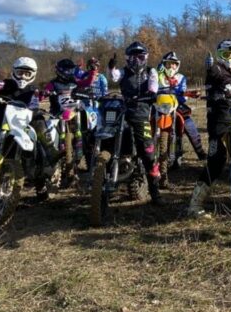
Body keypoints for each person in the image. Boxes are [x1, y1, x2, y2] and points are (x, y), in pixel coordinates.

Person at [186, 39, 231, 218]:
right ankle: (195, 205)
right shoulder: (217, 69)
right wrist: (210, 67)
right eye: (227, 54)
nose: (230, 58)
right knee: (217, 160)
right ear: (220, 56)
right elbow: (212, 75)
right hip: (219, 121)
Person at [107, 42, 163, 205]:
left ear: (145, 57)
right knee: (109, 141)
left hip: (142, 112)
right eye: (133, 57)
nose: (137, 60)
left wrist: (151, 94)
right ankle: (106, 183)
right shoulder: (124, 72)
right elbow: (114, 76)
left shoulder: (150, 71)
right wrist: (111, 67)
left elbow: (153, 86)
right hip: (124, 111)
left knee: (147, 151)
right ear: (128, 58)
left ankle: (155, 192)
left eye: (140, 57)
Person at [43, 57, 99, 186]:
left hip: (75, 113)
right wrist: (43, 93)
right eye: (67, 70)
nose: (69, 73)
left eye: (71, 70)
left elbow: (87, 83)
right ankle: (53, 167)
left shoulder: (75, 81)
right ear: (60, 71)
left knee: (87, 134)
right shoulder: (53, 83)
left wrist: (92, 72)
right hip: (57, 115)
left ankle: (87, 161)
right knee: (50, 139)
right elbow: (42, 94)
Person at [156, 51, 206, 165]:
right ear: (164, 64)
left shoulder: (181, 77)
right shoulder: (158, 76)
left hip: (176, 105)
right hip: (159, 106)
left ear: (177, 65)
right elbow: (151, 88)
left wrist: (188, 94)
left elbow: (183, 93)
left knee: (190, 127)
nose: (171, 66)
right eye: (169, 63)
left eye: (174, 64)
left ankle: (200, 152)